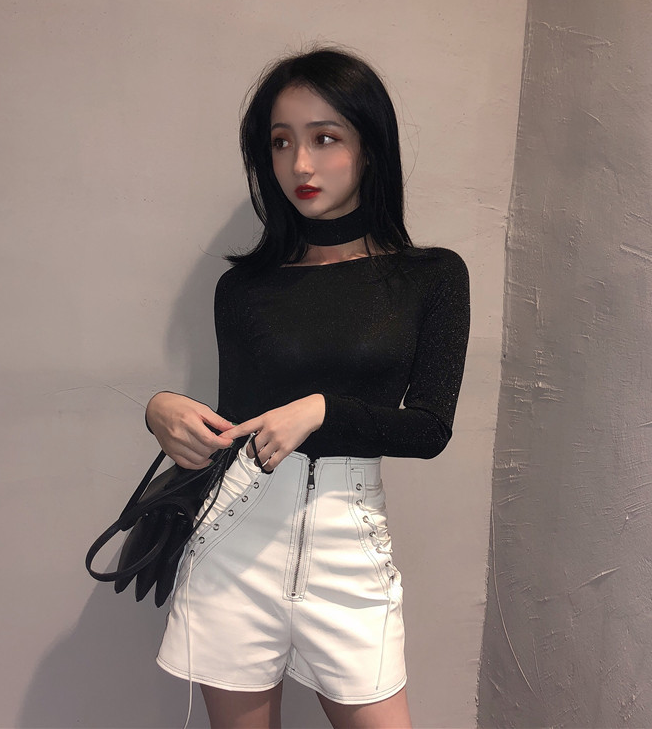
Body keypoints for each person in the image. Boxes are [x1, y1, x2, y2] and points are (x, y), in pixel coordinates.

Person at [145, 46, 470, 729]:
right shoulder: (244, 287)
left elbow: (430, 428)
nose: (300, 165)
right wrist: (164, 412)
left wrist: (322, 411)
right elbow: (235, 424)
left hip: (348, 555)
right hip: (235, 541)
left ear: (369, 147)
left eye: (325, 138)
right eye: (281, 142)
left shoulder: (432, 277)